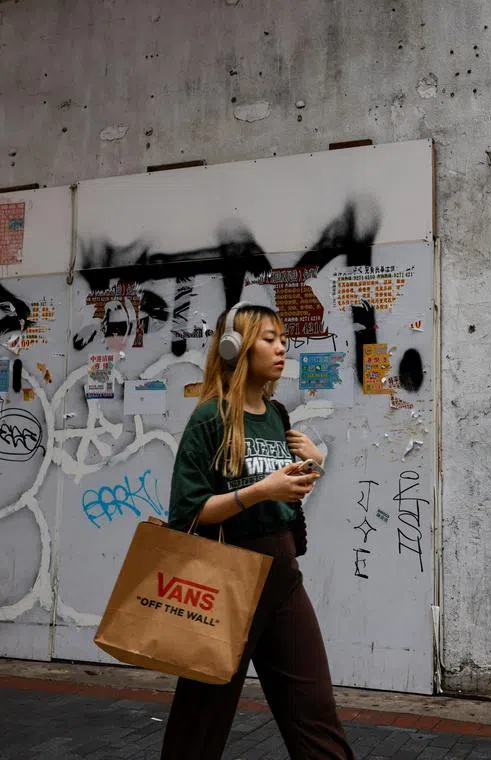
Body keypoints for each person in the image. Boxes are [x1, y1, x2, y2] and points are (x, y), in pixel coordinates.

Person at [161, 302, 355, 759]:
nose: (282, 347)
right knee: (202, 718)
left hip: (282, 576)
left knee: (314, 709)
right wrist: (259, 491)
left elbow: (282, 496)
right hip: (229, 577)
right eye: (269, 338)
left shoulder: (276, 415)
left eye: (283, 339)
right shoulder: (211, 418)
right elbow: (187, 510)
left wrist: (312, 467)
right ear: (236, 348)